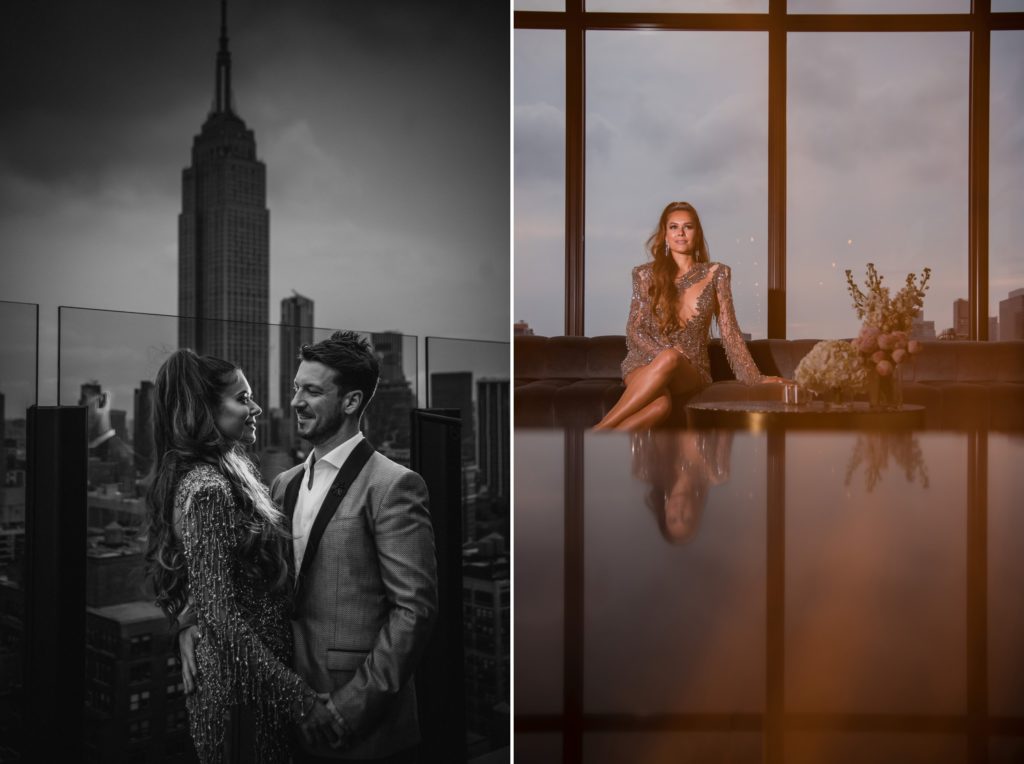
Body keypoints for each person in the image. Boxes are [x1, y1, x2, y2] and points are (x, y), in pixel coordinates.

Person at [181, 331, 438, 763]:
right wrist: (189, 622)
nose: (296, 400)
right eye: (296, 387)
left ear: (352, 402)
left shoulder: (394, 485)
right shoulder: (284, 483)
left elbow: (415, 611)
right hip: (288, 714)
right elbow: (241, 573)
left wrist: (350, 708)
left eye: (313, 391)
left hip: (363, 727)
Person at [145, 350, 334, 763]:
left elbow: (202, 583)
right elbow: (222, 617)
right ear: (206, 410)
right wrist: (301, 699)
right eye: (241, 398)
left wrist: (184, 625)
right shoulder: (209, 489)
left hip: (248, 683)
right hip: (244, 694)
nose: (255, 408)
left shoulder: (209, 475)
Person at [594, 201, 784, 430]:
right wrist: (663, 353)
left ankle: (596, 432)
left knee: (671, 358)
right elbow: (634, 330)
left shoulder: (717, 274)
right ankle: (602, 447)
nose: (680, 233)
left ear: (697, 233)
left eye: (688, 226)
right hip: (641, 362)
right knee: (659, 408)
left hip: (691, 370)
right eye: (673, 227)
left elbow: (730, 331)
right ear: (665, 234)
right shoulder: (644, 274)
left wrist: (756, 378)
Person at [631, 429, 733, 543]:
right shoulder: (716, 471)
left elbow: (638, 423)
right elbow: (727, 422)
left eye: (673, 519)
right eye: (687, 519)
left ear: (664, 513)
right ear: (696, 514)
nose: (679, 511)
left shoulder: (645, 468)